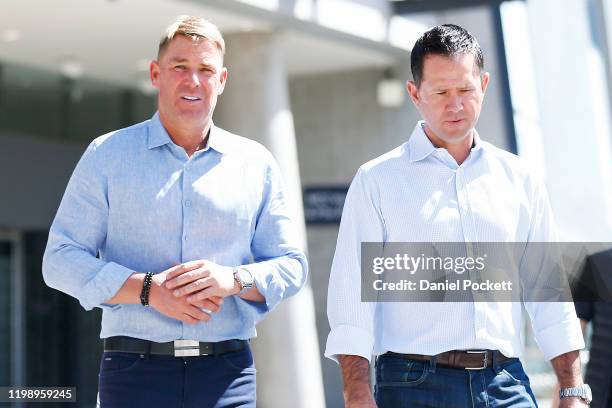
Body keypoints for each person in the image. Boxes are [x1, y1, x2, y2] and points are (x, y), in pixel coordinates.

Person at [42, 15, 307, 408]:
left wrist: (234, 279)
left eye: (205, 70)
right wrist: (148, 290)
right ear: (155, 73)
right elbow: (59, 261)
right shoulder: (107, 156)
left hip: (227, 374)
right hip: (134, 371)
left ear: (222, 80)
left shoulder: (257, 162)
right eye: (180, 67)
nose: (193, 81)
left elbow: (291, 265)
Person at [325, 24, 590, 407]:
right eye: (441, 92)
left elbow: (549, 294)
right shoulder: (376, 181)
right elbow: (351, 299)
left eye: (465, 90)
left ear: (483, 84)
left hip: (506, 383)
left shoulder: (520, 178)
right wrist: (357, 394)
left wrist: (571, 388)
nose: (455, 104)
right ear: (415, 94)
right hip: (413, 384)